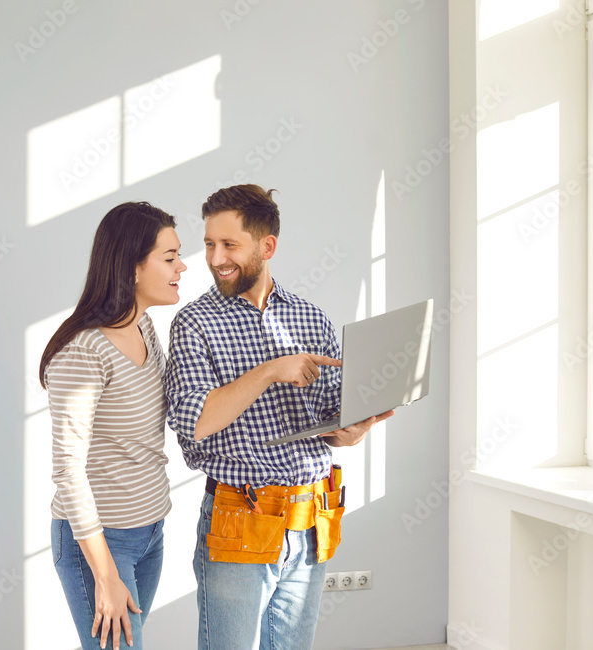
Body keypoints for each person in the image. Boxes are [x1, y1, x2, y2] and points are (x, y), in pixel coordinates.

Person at [163, 184, 393, 649]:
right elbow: (194, 423)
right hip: (240, 517)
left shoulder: (311, 318)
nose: (214, 257)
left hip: (310, 517)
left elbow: (328, 416)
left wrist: (349, 432)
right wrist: (270, 371)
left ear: (267, 247)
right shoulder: (195, 323)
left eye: (229, 245)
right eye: (209, 244)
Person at [41, 201, 187, 650]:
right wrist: (105, 575)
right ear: (133, 267)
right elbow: (68, 470)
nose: (182, 266)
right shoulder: (84, 351)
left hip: (150, 533)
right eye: (169, 258)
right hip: (100, 546)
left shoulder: (144, 328)